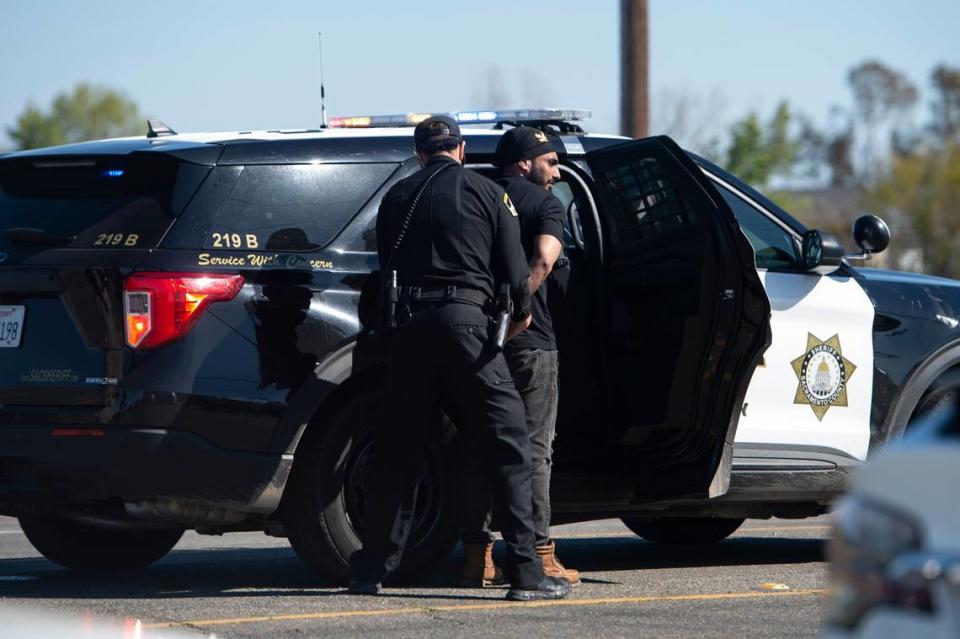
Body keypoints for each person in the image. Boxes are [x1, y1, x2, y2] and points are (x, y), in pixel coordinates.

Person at [348, 115, 571, 602]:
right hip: (466, 328)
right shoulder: (490, 193)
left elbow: (387, 267)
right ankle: (527, 574)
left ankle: (371, 571)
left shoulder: (396, 198)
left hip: (408, 333)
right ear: (462, 149)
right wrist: (518, 319)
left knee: (398, 453)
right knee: (510, 441)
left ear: (421, 152)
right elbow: (516, 278)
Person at [460, 127, 580, 586]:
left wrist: (486, 318)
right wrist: (513, 310)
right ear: (524, 162)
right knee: (533, 449)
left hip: (477, 339)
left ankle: (477, 557)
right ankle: (540, 555)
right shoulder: (543, 204)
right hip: (529, 341)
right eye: (550, 161)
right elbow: (544, 260)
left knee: (478, 445)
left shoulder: (479, 196)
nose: (556, 171)